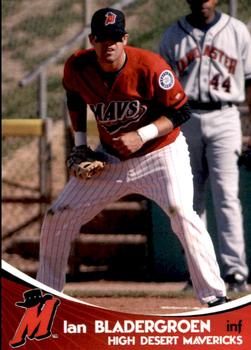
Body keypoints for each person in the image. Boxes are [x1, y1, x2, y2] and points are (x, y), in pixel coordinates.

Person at [36, 7, 229, 307]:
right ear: (92, 39)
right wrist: (80, 145)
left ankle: (216, 299)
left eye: (115, 38)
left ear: (125, 38)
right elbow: (73, 97)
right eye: (102, 38)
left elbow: (180, 112)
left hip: (161, 153)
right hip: (111, 159)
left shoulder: (150, 66)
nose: (108, 44)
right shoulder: (77, 66)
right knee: (58, 215)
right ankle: (45, 301)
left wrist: (144, 134)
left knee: (181, 212)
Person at [159, 0, 251, 292]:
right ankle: (198, 272)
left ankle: (236, 272)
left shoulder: (236, 30)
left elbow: (250, 83)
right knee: (189, 200)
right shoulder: (173, 35)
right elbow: (162, 91)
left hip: (226, 115)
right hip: (185, 117)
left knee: (227, 197)